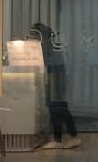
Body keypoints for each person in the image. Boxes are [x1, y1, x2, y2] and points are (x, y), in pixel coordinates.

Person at [32, 22, 81, 150]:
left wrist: (47, 79)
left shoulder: (47, 45)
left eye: (35, 35)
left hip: (56, 78)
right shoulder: (50, 45)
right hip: (56, 77)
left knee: (57, 107)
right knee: (58, 108)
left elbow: (50, 65)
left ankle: (67, 137)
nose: (33, 38)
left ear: (41, 35)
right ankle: (65, 138)